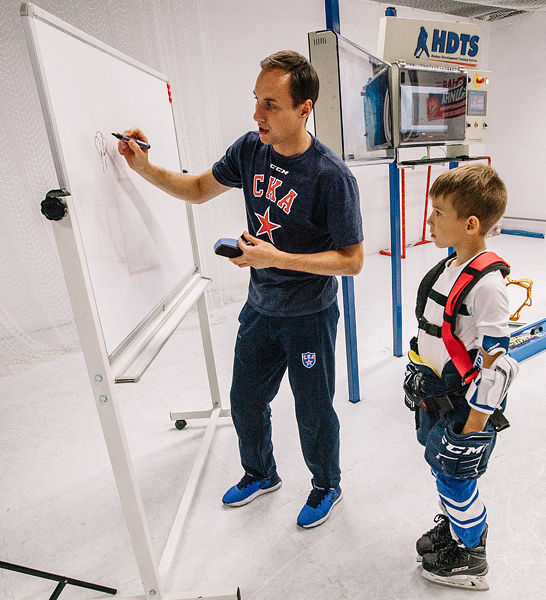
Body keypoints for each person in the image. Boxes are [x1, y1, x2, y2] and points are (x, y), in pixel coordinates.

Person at [118, 50, 363, 528]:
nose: (257, 115)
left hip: (309, 316)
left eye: (270, 104)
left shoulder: (332, 177)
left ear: (304, 108)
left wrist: (277, 258)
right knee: (246, 400)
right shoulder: (250, 150)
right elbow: (195, 189)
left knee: (312, 409)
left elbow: (352, 260)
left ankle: (326, 484)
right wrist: (145, 168)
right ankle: (260, 473)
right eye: (256, 100)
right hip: (260, 308)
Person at [403, 163, 519, 591]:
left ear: (470, 224)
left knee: (456, 476)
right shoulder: (449, 267)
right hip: (436, 394)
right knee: (441, 469)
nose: (429, 220)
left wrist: (475, 423)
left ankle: (471, 554)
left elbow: (498, 365)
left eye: (437, 212)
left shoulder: (488, 287)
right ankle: (455, 531)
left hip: (465, 407)